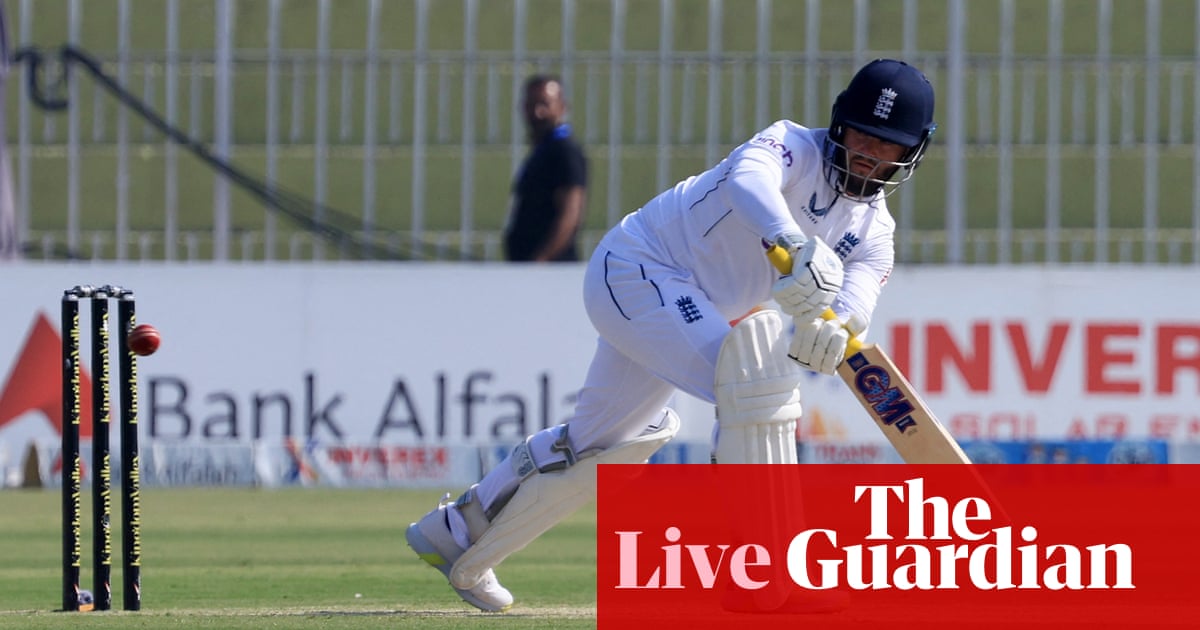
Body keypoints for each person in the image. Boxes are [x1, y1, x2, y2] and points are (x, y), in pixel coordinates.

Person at [407, 58, 936, 612]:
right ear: (839, 122)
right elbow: (745, 180)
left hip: (679, 301)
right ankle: (762, 575)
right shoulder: (789, 147)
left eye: (887, 145)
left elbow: (854, 307)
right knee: (753, 386)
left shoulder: (874, 233)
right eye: (862, 134)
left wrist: (833, 332)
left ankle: (458, 532)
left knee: (603, 445)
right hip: (640, 267)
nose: (869, 153)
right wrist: (791, 240)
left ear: (911, 153)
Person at [502, 74, 589, 262]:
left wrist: (541, 260)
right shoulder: (542, 151)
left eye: (545, 104)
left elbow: (570, 214)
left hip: (551, 270)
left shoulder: (565, 151)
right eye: (531, 105)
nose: (537, 112)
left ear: (562, 107)